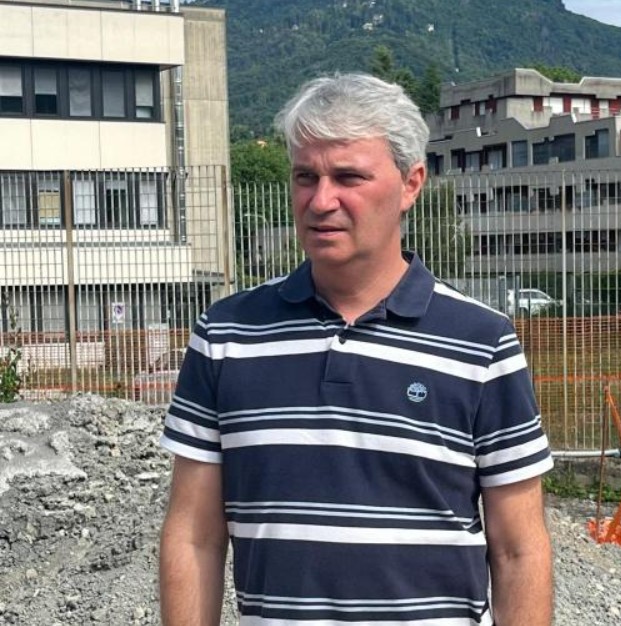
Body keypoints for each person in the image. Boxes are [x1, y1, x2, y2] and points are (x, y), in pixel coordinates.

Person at [158, 73, 554, 625]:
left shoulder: (481, 343)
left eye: (348, 177)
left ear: (411, 184)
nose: (321, 201)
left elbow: (519, 550)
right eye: (305, 176)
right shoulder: (226, 336)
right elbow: (194, 536)